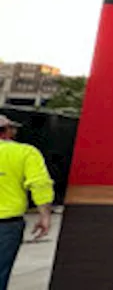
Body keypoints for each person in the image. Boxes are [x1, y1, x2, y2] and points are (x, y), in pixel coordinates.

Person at [0, 115, 52, 287]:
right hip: (7, 224)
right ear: (7, 131)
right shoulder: (25, 152)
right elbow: (39, 184)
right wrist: (44, 215)